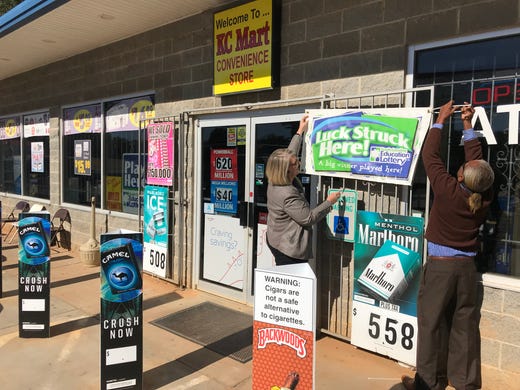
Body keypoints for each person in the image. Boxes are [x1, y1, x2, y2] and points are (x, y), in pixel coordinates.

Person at [401, 101, 495, 390]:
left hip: (441, 270)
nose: (465, 163)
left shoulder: (448, 190)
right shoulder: (483, 196)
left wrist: (440, 121)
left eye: (464, 166)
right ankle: (465, 383)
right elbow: (476, 162)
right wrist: (467, 124)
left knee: (431, 325)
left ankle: (429, 382)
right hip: (466, 269)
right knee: (464, 327)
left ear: (461, 176)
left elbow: (430, 156)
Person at [265, 114, 342, 266]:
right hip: (288, 247)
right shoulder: (287, 193)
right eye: (295, 164)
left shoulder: (275, 179)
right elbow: (308, 218)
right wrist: (329, 202)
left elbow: (290, 153)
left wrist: (300, 131)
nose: (299, 163)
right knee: (291, 284)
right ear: (286, 170)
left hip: (276, 237)